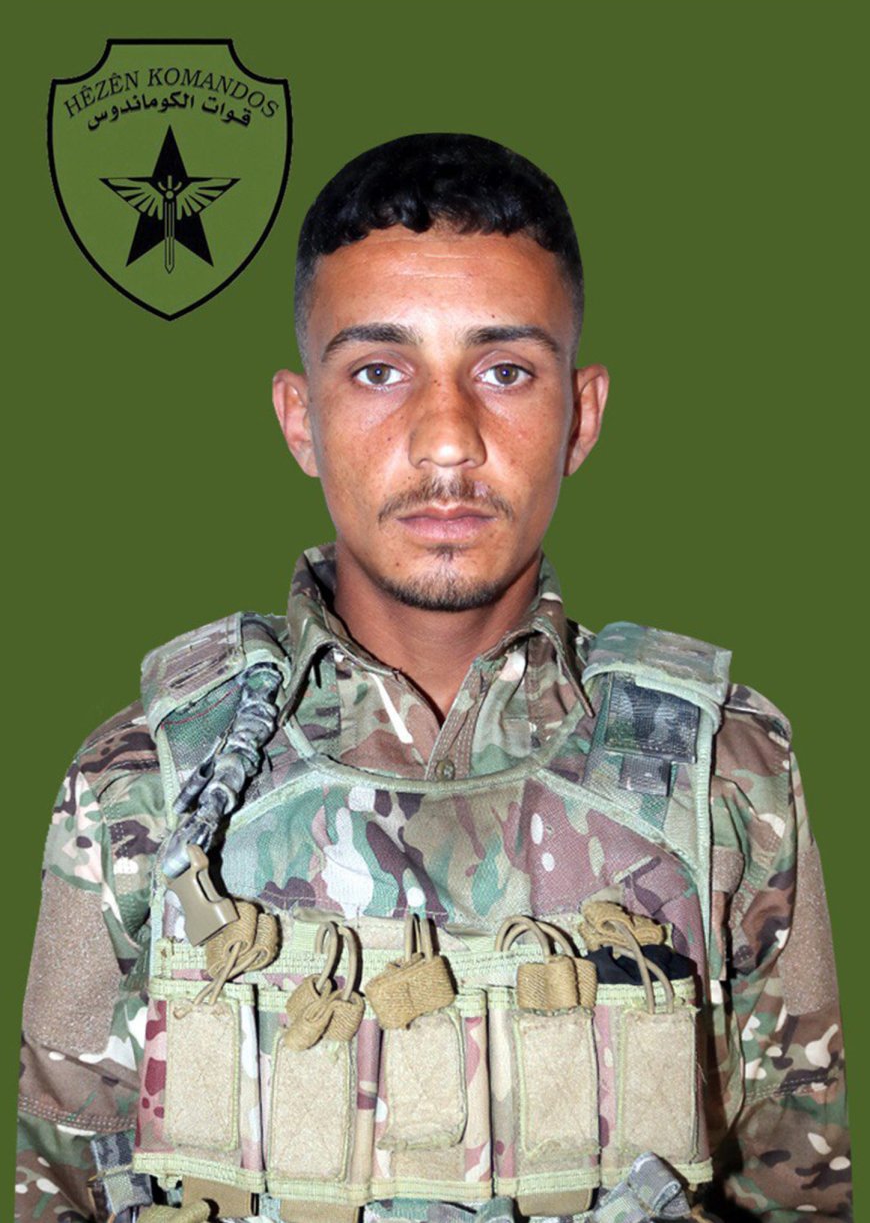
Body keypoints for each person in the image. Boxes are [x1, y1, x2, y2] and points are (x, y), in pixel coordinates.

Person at [15, 134, 850, 1223]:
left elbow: (800, 1188)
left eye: (505, 372)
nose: (447, 441)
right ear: (300, 420)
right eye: (378, 371)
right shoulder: (143, 785)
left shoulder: (727, 775)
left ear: (583, 416)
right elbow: (60, 1185)